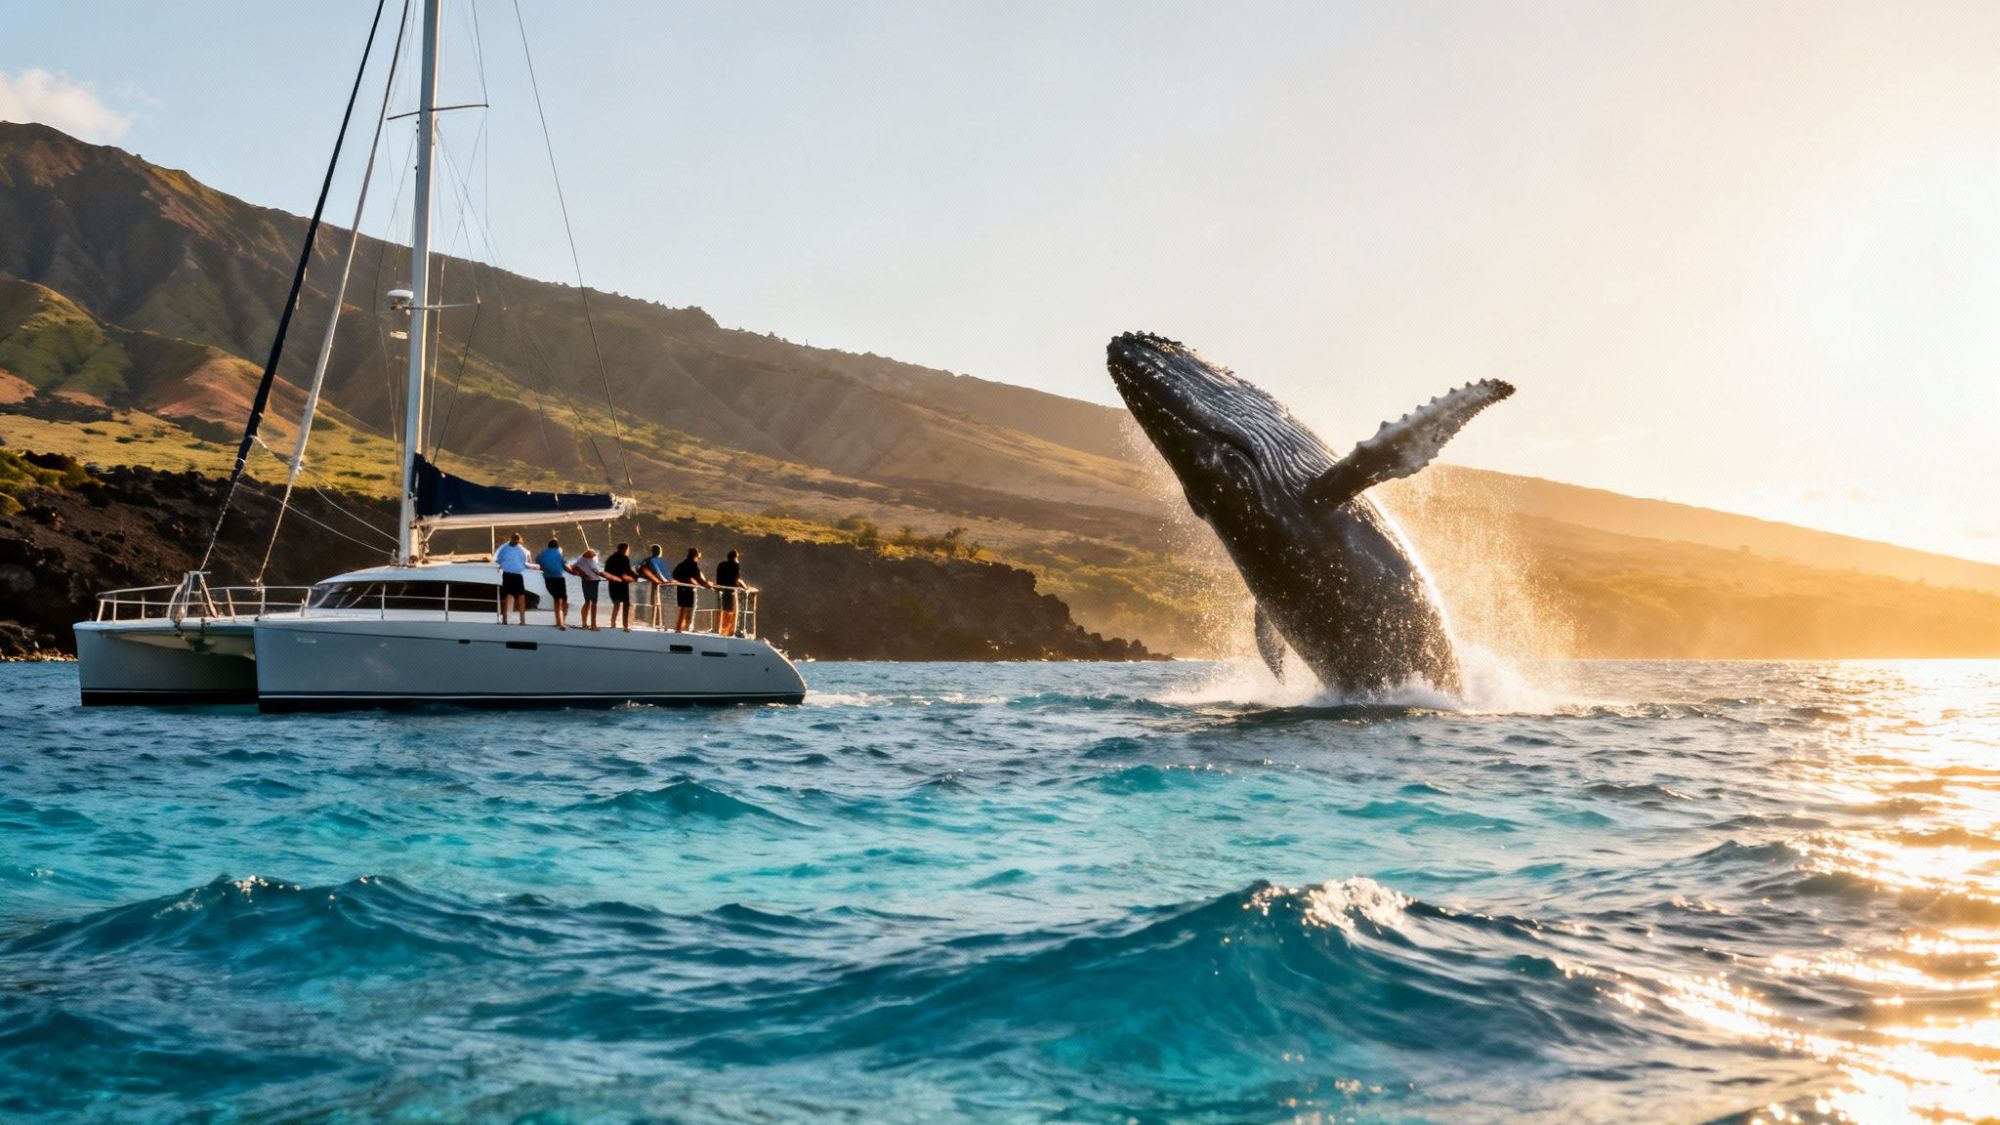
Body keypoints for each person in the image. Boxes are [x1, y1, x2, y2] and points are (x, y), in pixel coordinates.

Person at [670, 546, 714, 633]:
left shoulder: (681, 564)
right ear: (696, 554)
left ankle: (679, 628)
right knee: (689, 610)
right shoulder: (693, 564)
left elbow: (675, 574)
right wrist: (707, 585)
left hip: (680, 590)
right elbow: (698, 578)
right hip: (689, 591)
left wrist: (686, 580)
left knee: (682, 609)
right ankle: (687, 628)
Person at [493, 532, 530, 625]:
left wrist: (503, 564)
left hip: (508, 574)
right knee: (520, 596)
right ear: (518, 540)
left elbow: (498, 560)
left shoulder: (504, 549)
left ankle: (506, 619)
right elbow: (524, 562)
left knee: (507, 596)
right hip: (516, 575)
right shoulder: (521, 550)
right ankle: (521, 620)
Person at [536, 536, 571, 630]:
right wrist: (575, 572)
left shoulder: (542, 554)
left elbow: (538, 562)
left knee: (556, 600)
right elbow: (565, 565)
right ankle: (562, 622)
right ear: (557, 546)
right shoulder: (558, 553)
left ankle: (558, 622)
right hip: (558, 579)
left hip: (548, 580)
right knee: (564, 599)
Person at [603, 542, 637, 632]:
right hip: (622, 584)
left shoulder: (610, 558)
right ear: (625, 549)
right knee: (626, 604)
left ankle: (613, 623)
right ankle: (625, 625)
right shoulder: (625, 558)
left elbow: (606, 571)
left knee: (616, 604)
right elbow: (628, 570)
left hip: (613, 584)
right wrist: (636, 576)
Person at [569, 547, 604, 631]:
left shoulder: (580, 560)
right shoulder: (591, 561)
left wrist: (581, 574)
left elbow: (573, 567)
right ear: (592, 556)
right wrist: (605, 576)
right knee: (594, 603)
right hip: (593, 582)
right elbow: (595, 570)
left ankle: (584, 623)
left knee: (587, 601)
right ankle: (593, 625)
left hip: (585, 581)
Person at [714, 548, 745, 637]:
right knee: (730, 610)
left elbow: (718, 578)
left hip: (721, 590)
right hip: (730, 591)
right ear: (735, 557)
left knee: (722, 609)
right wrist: (744, 586)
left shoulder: (721, 564)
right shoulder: (735, 565)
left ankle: (721, 628)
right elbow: (736, 580)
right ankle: (727, 630)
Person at [638, 544, 671, 626]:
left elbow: (640, 570)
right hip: (654, 585)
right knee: (656, 602)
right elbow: (657, 572)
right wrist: (664, 580)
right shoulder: (654, 560)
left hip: (646, 585)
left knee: (653, 603)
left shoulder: (646, 560)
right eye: (659, 551)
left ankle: (653, 621)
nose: (660, 552)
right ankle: (656, 622)